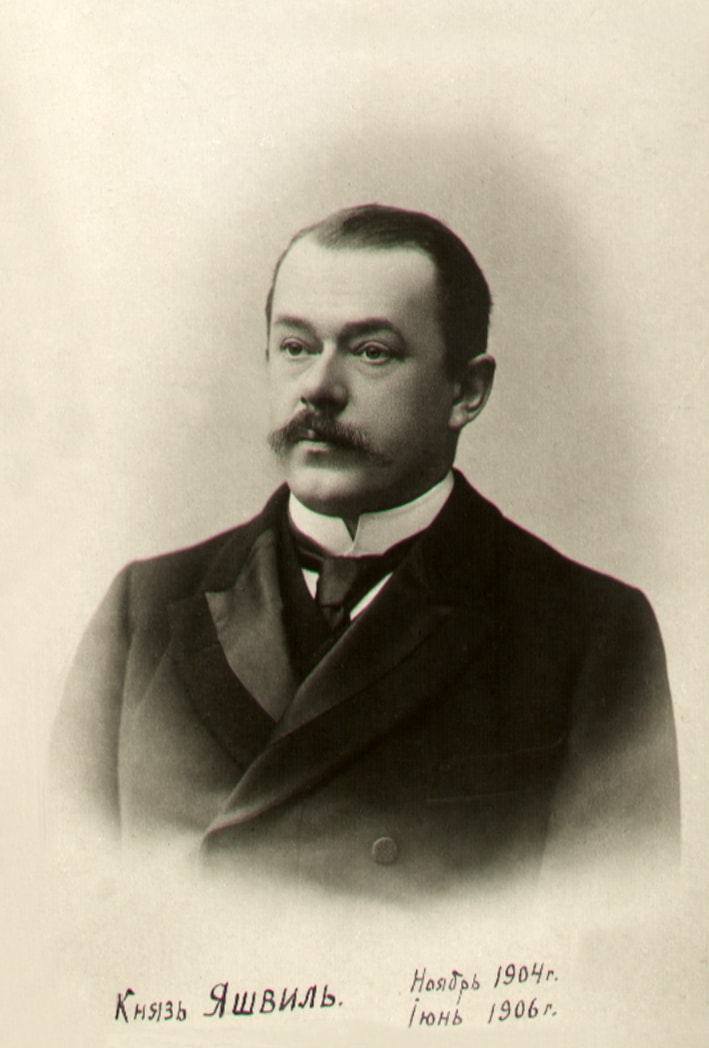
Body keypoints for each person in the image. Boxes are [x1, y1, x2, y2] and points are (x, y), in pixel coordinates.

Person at [51, 204, 679, 895]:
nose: (319, 388)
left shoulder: (586, 633)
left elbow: (605, 933)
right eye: (296, 347)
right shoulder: (144, 609)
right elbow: (65, 904)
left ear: (466, 392)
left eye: (371, 352)